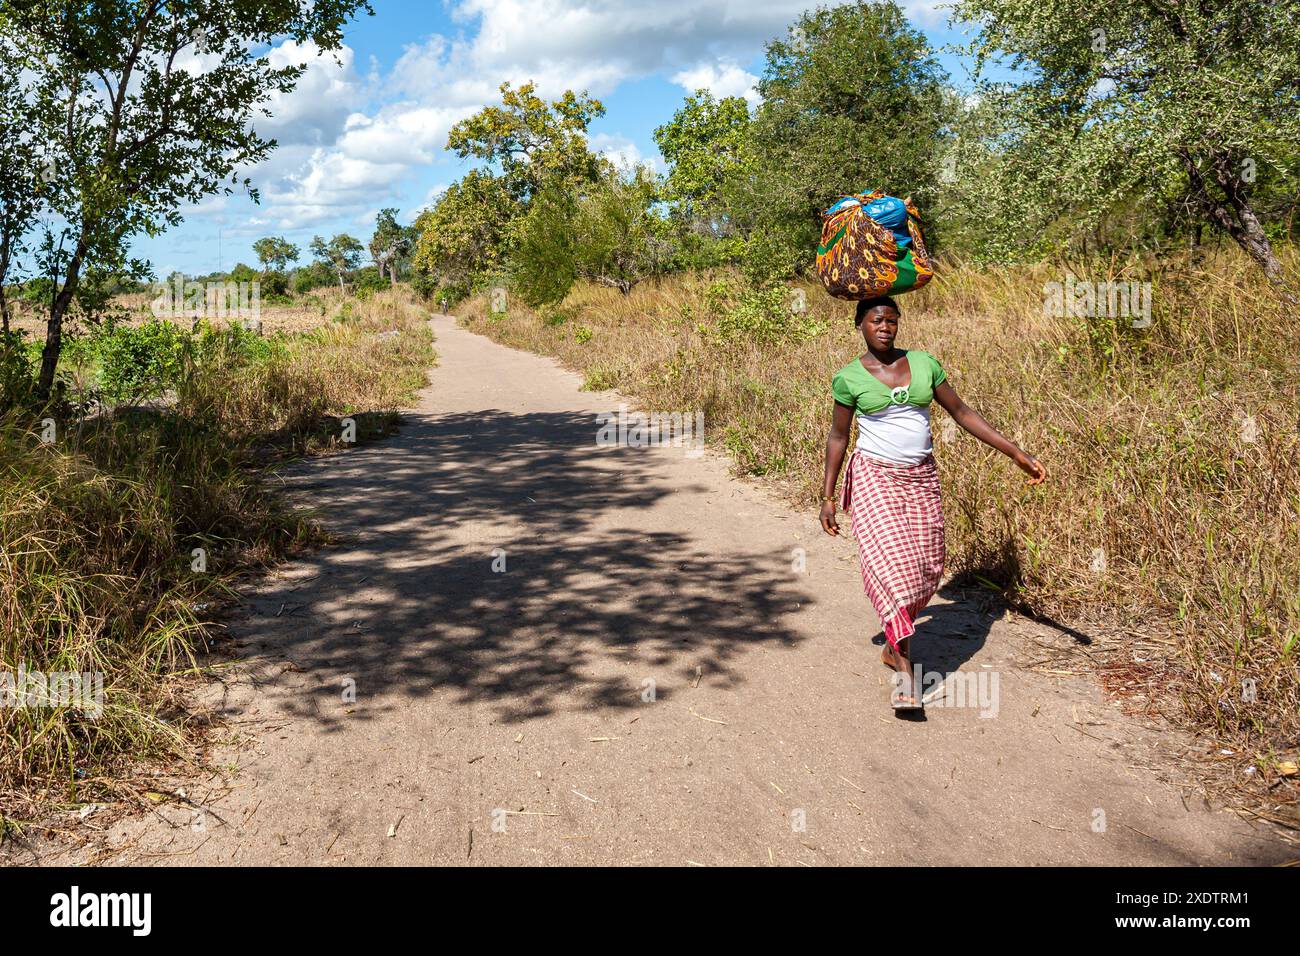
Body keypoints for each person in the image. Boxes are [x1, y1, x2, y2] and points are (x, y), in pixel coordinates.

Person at [819, 296, 1047, 710]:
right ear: (860, 326)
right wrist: (829, 496)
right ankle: (906, 669)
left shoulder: (924, 364)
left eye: (891, 320)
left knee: (926, 567)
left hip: (920, 477)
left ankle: (891, 644)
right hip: (875, 477)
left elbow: (961, 411)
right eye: (876, 321)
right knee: (892, 568)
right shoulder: (849, 377)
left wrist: (1014, 451)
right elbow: (838, 437)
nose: (885, 327)